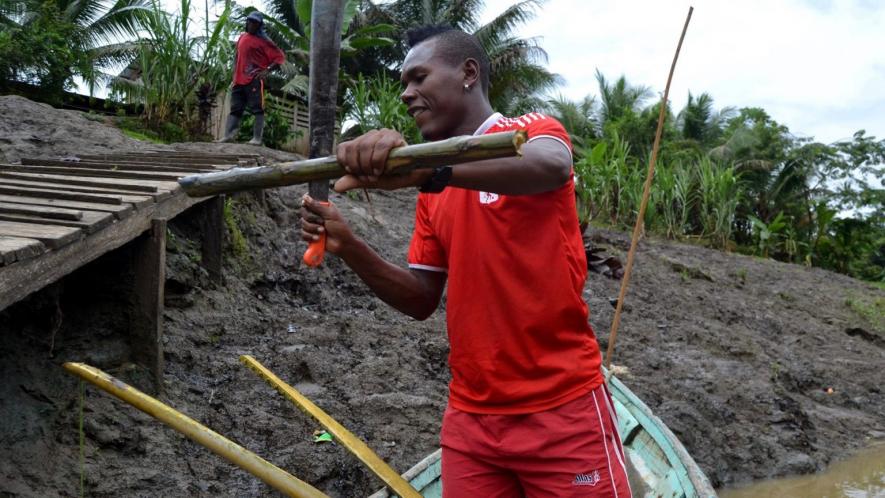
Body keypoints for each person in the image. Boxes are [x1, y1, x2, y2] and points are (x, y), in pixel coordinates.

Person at [301, 25, 632, 497]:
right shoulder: (436, 191)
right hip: (472, 423)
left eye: (418, 78)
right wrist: (349, 245)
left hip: (563, 410)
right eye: (403, 84)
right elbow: (419, 298)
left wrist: (435, 171)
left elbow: (551, 166)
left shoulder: (528, 131)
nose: (407, 94)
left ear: (468, 74)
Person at [218, 11, 285, 146]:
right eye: (249, 21)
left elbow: (280, 57)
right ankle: (228, 135)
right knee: (235, 109)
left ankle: (257, 138)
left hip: (254, 79)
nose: (251, 24)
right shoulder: (242, 37)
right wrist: (234, 73)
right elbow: (237, 56)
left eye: (254, 23)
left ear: (259, 25)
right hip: (238, 80)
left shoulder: (264, 41)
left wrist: (267, 70)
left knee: (257, 108)